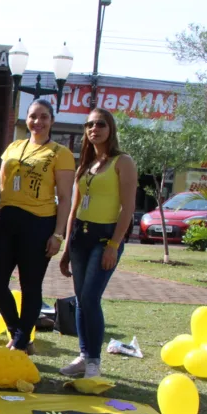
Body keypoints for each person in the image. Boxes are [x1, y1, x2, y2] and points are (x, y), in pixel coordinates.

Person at [0, 99, 75, 353]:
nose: (38, 121)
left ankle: (22, 341)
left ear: (52, 121)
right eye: (33, 116)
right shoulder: (14, 147)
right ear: (27, 119)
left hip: (39, 223)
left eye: (44, 116)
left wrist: (58, 234)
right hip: (6, 219)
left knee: (30, 284)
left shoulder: (60, 153)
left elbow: (66, 198)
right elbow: (1, 186)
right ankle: (18, 332)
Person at [59, 108, 137, 378]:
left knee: (91, 298)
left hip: (104, 239)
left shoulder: (122, 162)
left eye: (100, 124)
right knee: (81, 300)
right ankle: (83, 356)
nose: (94, 129)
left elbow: (128, 208)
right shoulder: (86, 165)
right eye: (89, 125)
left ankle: (93, 361)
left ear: (110, 128)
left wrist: (114, 245)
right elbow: (74, 209)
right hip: (81, 236)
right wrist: (67, 248)